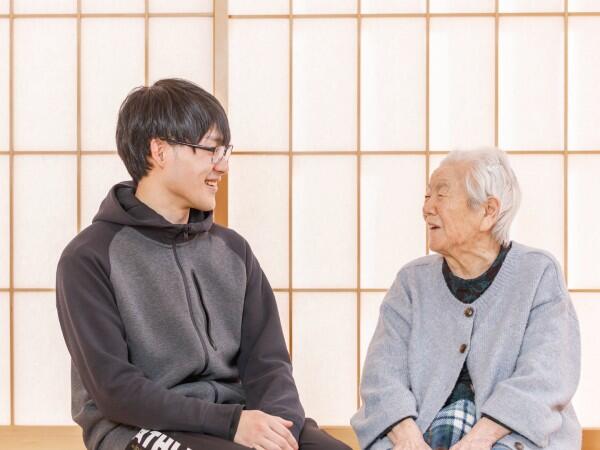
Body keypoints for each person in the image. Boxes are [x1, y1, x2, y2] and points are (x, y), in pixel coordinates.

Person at [56, 78, 351, 450]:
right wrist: (231, 425)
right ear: (160, 151)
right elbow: (116, 391)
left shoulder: (234, 251)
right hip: (139, 427)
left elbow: (269, 364)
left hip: (239, 418)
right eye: (211, 150)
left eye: (225, 152)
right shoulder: (89, 258)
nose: (222, 166)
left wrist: (282, 431)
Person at [351, 148, 581, 450]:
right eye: (427, 196)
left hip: (509, 437)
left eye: (441, 195)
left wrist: (478, 439)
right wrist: (408, 439)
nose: (427, 208)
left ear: (488, 211)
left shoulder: (537, 273)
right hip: (420, 434)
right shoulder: (411, 281)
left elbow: (545, 378)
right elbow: (381, 376)